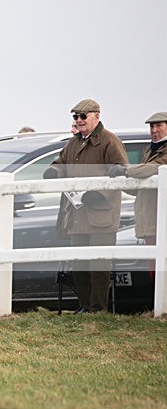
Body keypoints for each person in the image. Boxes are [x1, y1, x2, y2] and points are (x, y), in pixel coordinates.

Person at [42, 99, 127, 313]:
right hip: (78, 213)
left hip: (101, 216)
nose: (78, 121)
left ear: (96, 116)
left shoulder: (110, 141)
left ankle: (98, 310)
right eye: (75, 117)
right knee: (79, 265)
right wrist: (54, 171)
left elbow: (121, 169)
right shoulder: (73, 143)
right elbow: (62, 163)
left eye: (83, 116)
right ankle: (85, 306)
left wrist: (98, 194)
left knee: (99, 267)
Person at [109, 112, 167, 287]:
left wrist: (126, 171)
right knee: (153, 266)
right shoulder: (150, 149)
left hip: (160, 217)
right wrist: (119, 182)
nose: (154, 130)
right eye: (152, 126)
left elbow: (156, 167)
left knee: (160, 265)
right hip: (149, 218)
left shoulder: (159, 152)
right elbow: (142, 185)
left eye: (159, 126)